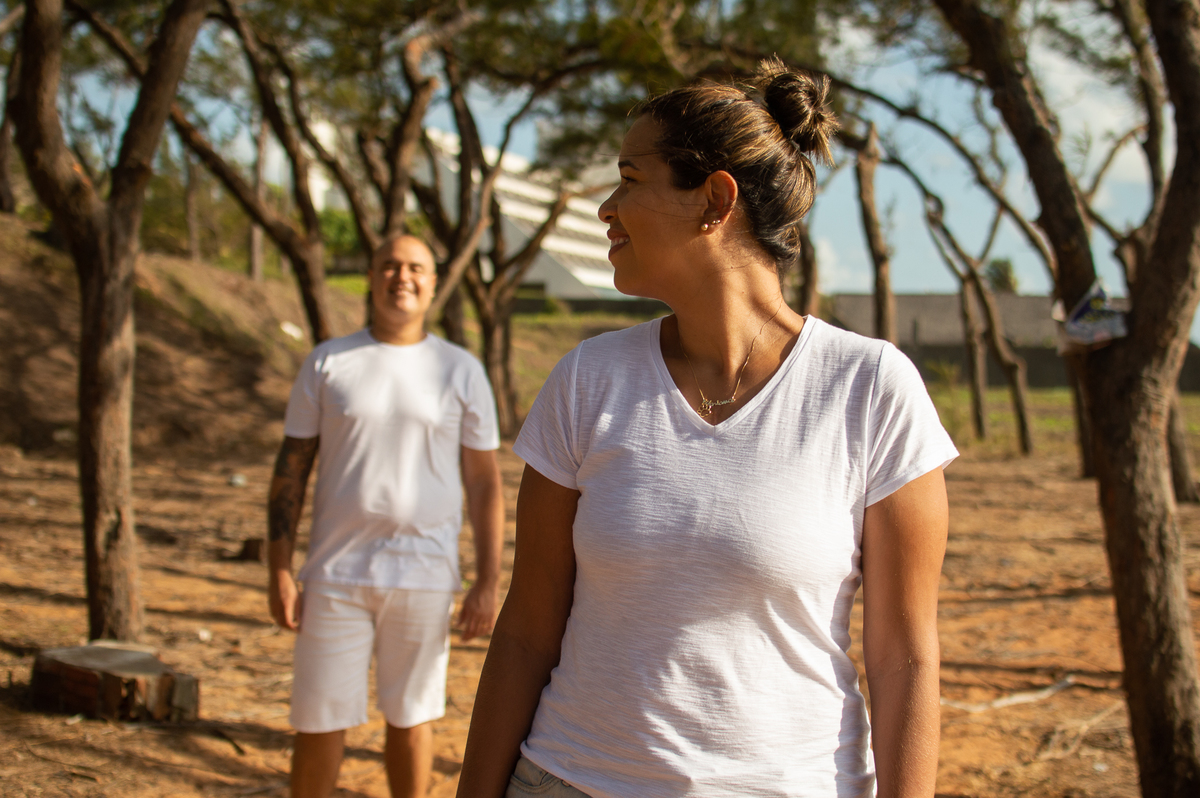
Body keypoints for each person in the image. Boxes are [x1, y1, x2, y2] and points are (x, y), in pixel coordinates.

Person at [455, 59, 958, 798]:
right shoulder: (588, 381)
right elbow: (528, 627)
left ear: (714, 200)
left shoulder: (870, 389)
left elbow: (904, 657)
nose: (606, 205)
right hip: (569, 779)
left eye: (631, 177)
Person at [268, 234, 504, 798]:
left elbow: (483, 481)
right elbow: (290, 471)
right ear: (372, 277)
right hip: (335, 574)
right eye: (390, 267)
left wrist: (488, 580)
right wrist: (278, 567)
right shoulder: (328, 362)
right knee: (319, 720)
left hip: (424, 574)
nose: (403, 277)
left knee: (413, 719)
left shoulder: (460, 369)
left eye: (417, 267)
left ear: (433, 280)